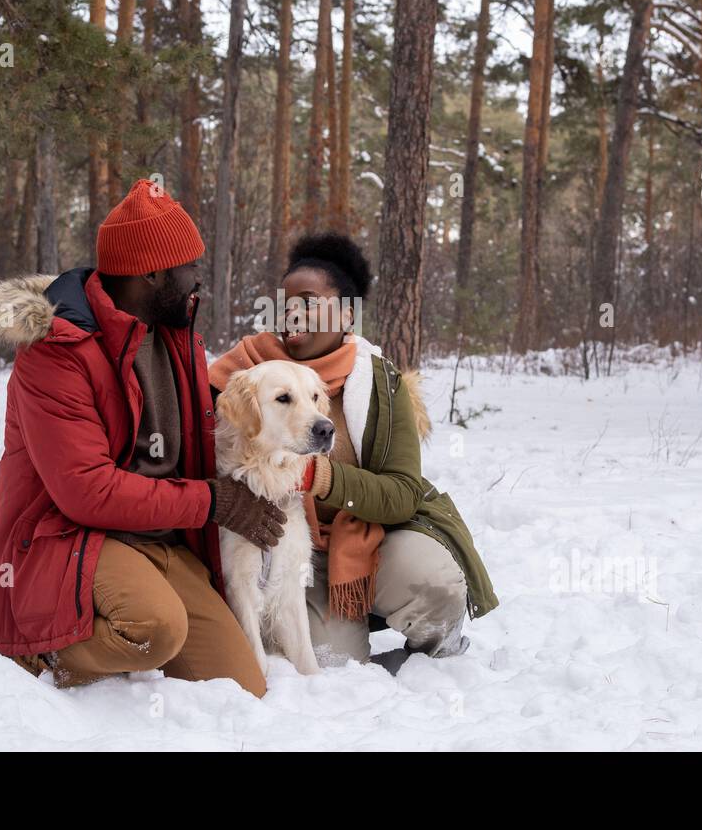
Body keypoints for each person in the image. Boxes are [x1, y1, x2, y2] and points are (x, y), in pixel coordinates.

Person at [0, 179, 283, 696]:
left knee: (243, 684)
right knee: (154, 629)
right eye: (189, 266)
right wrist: (214, 503)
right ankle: (42, 652)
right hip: (70, 537)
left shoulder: (176, 332)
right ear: (150, 273)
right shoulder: (58, 351)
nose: (197, 280)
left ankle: (125, 628)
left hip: (158, 535)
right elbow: (88, 493)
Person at [208, 233, 498, 671]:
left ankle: (438, 640)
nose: (292, 313)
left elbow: (402, 493)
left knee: (433, 581)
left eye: (308, 301)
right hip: (280, 552)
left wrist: (320, 479)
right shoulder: (243, 373)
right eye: (285, 302)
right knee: (331, 661)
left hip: (367, 540)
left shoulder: (382, 384)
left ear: (346, 313)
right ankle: (340, 624)